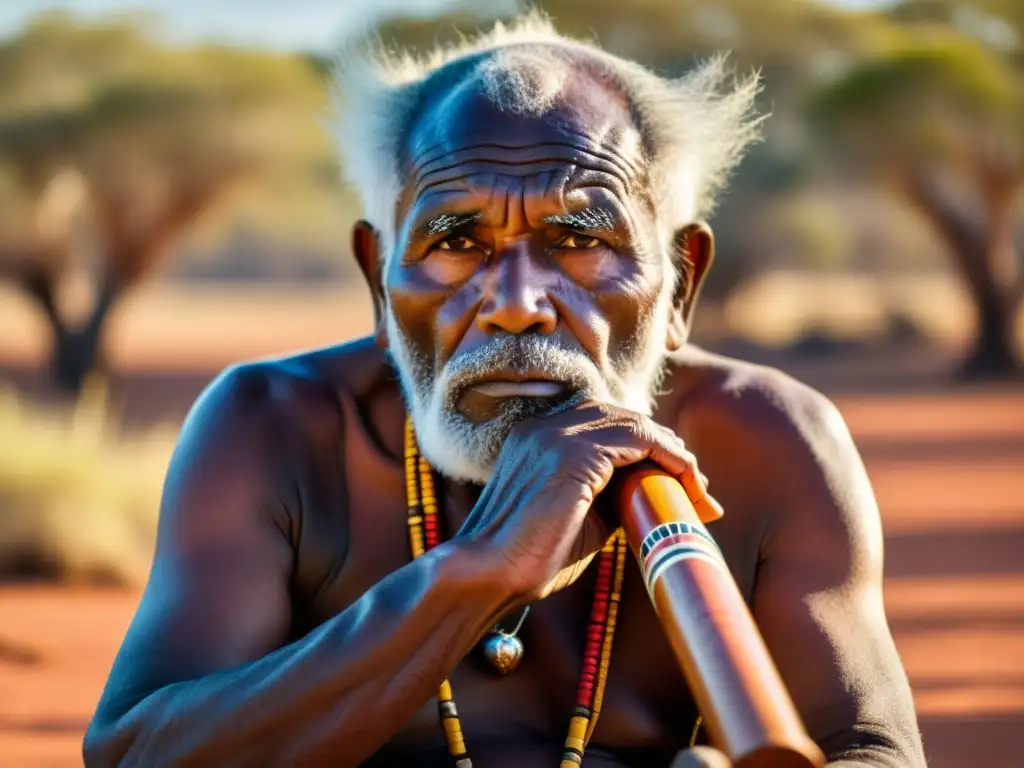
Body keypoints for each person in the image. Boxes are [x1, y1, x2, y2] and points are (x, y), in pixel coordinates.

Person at [84, 12, 926, 768]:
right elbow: (134, 756)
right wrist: (476, 571)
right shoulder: (275, 429)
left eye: (578, 238)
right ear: (379, 283)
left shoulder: (770, 441)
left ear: (679, 286)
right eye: (455, 240)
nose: (516, 305)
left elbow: (872, 749)